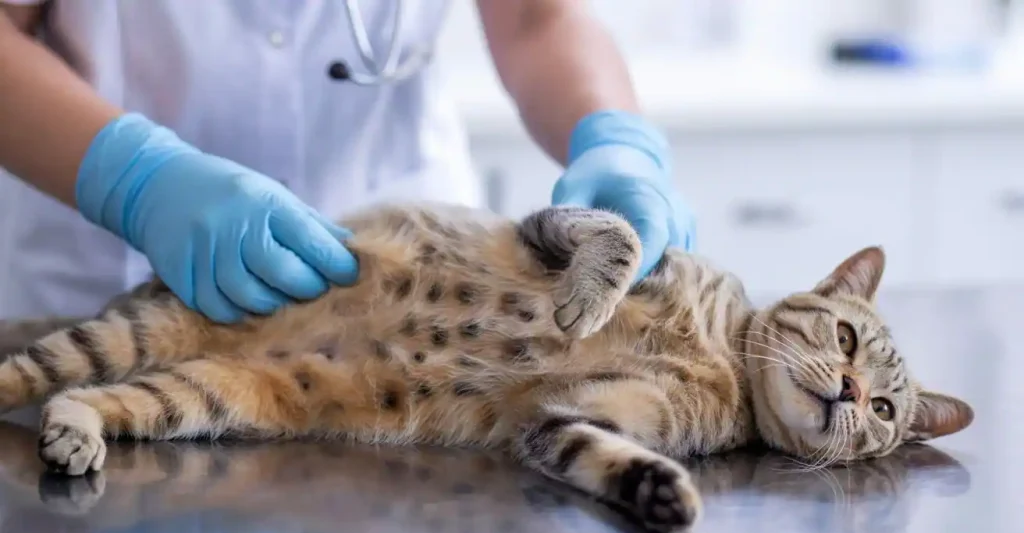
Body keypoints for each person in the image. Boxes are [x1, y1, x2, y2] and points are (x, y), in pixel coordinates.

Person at [0, 1, 695, 326]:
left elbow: (536, 19)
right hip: (109, 292)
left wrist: (614, 140)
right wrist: (135, 180)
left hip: (412, 306)